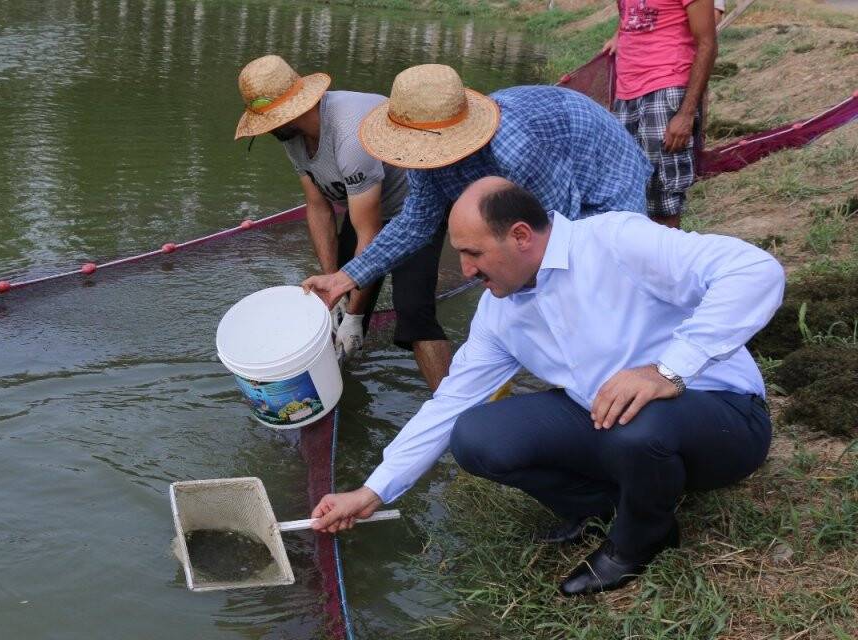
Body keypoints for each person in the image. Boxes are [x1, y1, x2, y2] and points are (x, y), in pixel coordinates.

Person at [309, 177, 783, 596]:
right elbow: (448, 404)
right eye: (461, 255)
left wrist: (667, 370)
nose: (467, 271)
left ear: (520, 237)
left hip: (723, 417)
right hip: (612, 421)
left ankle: (643, 538)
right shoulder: (499, 311)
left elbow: (754, 271)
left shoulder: (615, 241)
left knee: (640, 424)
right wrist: (372, 492)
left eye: (474, 254)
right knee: (476, 437)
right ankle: (605, 506)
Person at [301, 64, 653, 310]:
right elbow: (414, 224)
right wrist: (346, 277)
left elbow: (560, 231)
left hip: (601, 166)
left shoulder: (514, 149)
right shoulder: (423, 158)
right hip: (555, 165)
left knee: (602, 272)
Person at [234, 55, 452, 390]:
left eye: (271, 120)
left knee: (413, 312)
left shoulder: (349, 134)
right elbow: (318, 207)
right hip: (363, 207)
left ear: (295, 107)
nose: (267, 129)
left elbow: (370, 230)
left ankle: (453, 406)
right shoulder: (291, 136)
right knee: (339, 300)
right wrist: (334, 285)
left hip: (415, 210)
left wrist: (353, 315)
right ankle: (340, 384)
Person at [603, 0, 718, 227]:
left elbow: (708, 43)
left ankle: (666, 261)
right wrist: (618, 35)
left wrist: (686, 114)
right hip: (625, 93)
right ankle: (639, 260)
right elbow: (629, 15)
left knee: (663, 200)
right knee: (623, 195)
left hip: (666, 90)